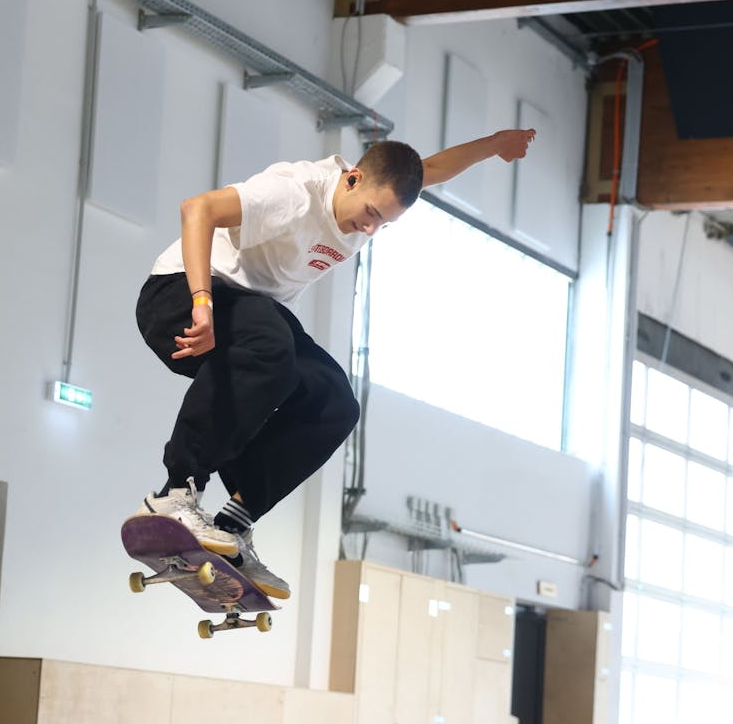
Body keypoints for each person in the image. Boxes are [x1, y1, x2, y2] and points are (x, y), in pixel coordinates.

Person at [133, 129, 537, 600]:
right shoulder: (296, 192)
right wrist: (201, 303)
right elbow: (196, 209)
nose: (369, 230)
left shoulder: (379, 189)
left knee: (334, 402)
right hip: (180, 296)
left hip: (249, 322)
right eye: (369, 214)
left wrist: (494, 145)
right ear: (352, 178)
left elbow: (434, 169)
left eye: (383, 225)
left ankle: (234, 525)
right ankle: (175, 494)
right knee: (272, 344)